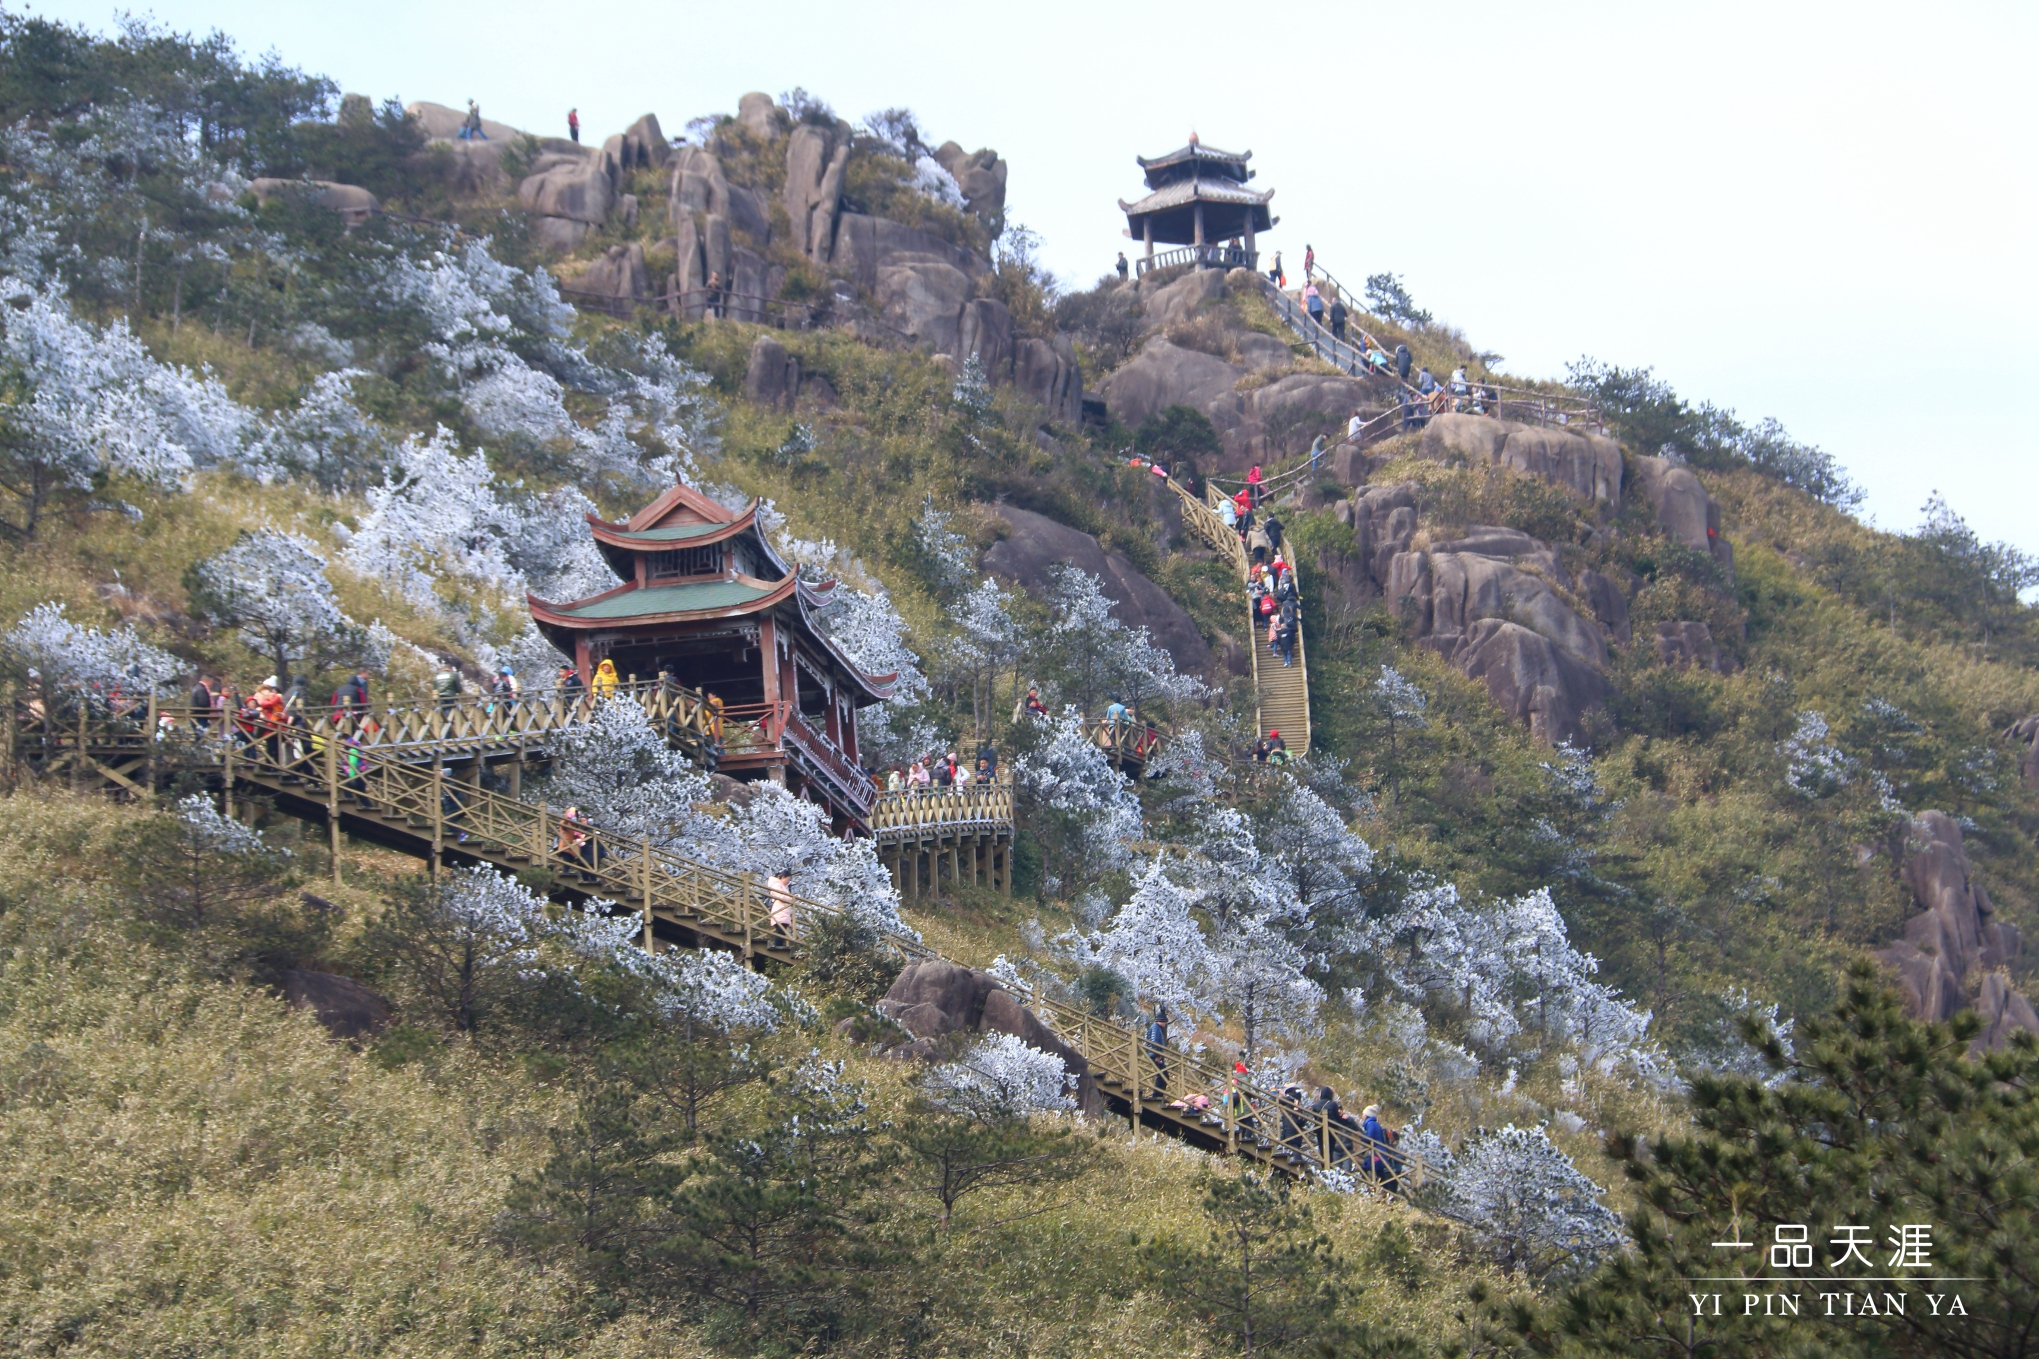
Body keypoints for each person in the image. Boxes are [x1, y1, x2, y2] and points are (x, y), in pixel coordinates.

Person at [1147, 1002, 1170, 1095]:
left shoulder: (1156, 1028)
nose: (1165, 1024)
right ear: (1161, 1021)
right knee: (1163, 1075)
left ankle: (1158, 1095)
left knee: (1162, 1075)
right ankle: (1157, 1095)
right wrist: (1157, 1055)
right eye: (1164, 1022)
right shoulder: (1156, 1028)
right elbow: (1154, 1042)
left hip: (1154, 1054)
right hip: (1154, 1055)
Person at [767, 872, 795, 942]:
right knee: (780, 930)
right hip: (780, 910)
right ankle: (778, 947)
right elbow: (779, 896)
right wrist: (791, 899)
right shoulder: (777, 884)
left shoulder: (781, 886)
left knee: (782, 931)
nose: (788, 882)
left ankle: (780, 946)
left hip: (783, 911)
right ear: (783, 877)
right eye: (788, 879)